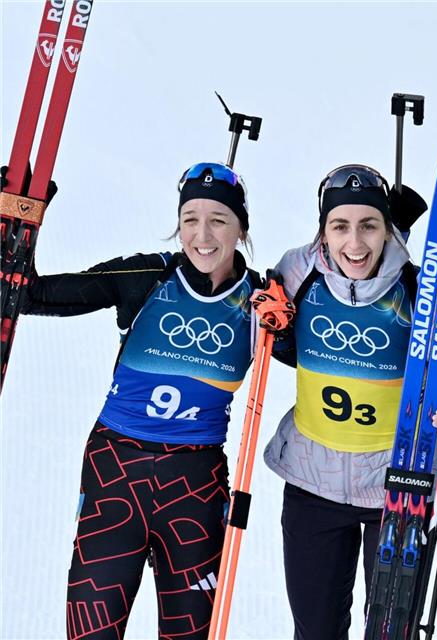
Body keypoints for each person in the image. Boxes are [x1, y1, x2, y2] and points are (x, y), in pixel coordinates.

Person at [15, 162, 262, 639]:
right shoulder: (147, 276)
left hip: (195, 483)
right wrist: (17, 219)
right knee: (92, 630)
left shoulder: (260, 301)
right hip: (115, 470)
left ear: (241, 228)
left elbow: (337, 327)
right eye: (190, 219)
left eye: (218, 219)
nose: (202, 234)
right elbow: (32, 294)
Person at [261, 164, 437, 639]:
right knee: (315, 631)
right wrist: (268, 324)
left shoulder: (421, 292)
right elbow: (269, 330)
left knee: (390, 632)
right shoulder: (297, 272)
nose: (354, 244)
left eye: (369, 225)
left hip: (396, 487)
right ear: (323, 229)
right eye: (340, 226)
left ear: (389, 229)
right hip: (311, 486)